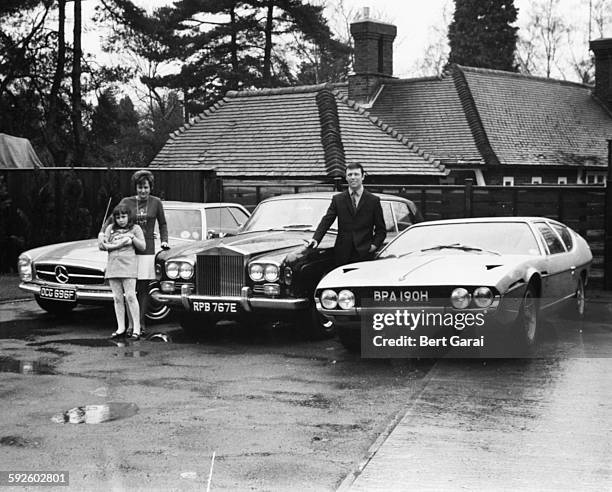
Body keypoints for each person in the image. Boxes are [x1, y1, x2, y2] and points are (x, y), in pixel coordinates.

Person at [99, 170, 169, 335]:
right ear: (135, 188)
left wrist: (164, 240)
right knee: (130, 289)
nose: (143, 191)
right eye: (140, 187)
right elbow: (111, 219)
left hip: (147, 248)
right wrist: (102, 233)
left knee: (143, 287)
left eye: (146, 187)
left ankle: (140, 323)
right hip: (128, 250)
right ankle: (129, 325)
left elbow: (163, 223)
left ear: (151, 187)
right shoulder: (126, 202)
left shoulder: (156, 202)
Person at [309, 163, 386, 265]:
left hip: (365, 255)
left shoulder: (373, 200)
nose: (353, 177)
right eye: (350, 175)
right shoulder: (338, 199)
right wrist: (316, 239)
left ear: (363, 177)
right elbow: (327, 220)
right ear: (346, 177)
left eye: (356, 174)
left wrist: (373, 246)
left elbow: (381, 230)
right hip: (342, 254)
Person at [99, 204, 145, 340]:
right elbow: (102, 246)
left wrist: (132, 238)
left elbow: (143, 246)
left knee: (130, 296)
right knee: (117, 298)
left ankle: (136, 328)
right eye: (118, 217)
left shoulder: (135, 228)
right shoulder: (110, 228)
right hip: (113, 265)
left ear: (128, 216)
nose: (121, 220)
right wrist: (101, 237)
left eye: (124, 216)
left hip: (128, 265)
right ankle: (121, 328)